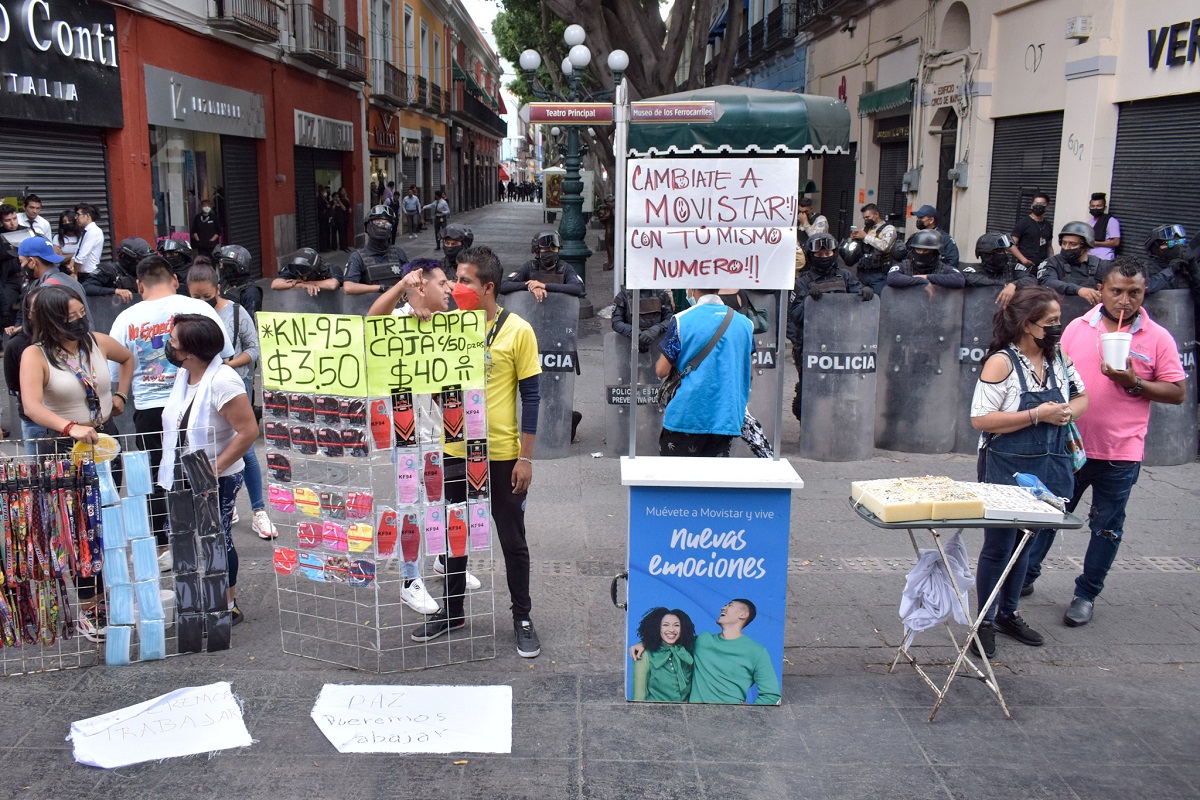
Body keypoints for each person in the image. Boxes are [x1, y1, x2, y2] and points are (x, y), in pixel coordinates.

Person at [1022, 258, 1186, 626]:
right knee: (1050, 516)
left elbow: (1177, 392)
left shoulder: (1158, 337)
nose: (1124, 300)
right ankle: (1027, 576)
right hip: (1071, 446)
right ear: (1103, 289)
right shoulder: (1079, 327)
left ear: (1144, 292)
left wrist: (1134, 382)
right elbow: (1053, 371)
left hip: (1121, 452)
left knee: (1107, 527)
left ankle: (1086, 594)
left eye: (1134, 292)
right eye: (1117, 291)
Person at [411, 246, 543, 658]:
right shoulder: (445, 328)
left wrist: (526, 457)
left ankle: (522, 615)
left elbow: (532, 395)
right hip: (454, 450)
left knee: (512, 539)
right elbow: (434, 383)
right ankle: (452, 612)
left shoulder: (517, 330)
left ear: (487, 288)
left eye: (463, 280)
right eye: (453, 278)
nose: (454, 286)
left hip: (503, 455)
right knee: (455, 535)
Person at [967, 286, 1088, 658]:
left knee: (1028, 542)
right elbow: (981, 419)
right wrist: (1038, 414)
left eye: (1058, 321)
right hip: (1007, 465)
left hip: (1050, 464)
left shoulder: (1059, 358)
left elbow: (1082, 396)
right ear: (1026, 324)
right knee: (999, 545)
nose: (1057, 328)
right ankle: (982, 622)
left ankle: (1009, 613)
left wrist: (1069, 412)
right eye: (1050, 322)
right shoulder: (1001, 363)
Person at [19, 285, 134, 638]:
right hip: (64, 448)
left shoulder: (96, 341)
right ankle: (90, 606)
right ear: (52, 321)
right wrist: (70, 427)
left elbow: (127, 358)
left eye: (81, 313)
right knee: (78, 528)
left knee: (109, 519)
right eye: (71, 318)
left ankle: (114, 593)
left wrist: (119, 394)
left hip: (103, 439)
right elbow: (32, 406)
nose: (80, 321)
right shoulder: (35, 355)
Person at [109, 254, 234, 561]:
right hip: (199, 402)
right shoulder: (198, 307)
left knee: (158, 473)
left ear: (139, 285)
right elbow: (225, 353)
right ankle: (207, 538)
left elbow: (114, 373)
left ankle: (165, 544)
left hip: (151, 409)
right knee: (202, 469)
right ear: (176, 280)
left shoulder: (126, 319)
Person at [157, 314, 258, 625]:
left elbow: (248, 431)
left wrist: (213, 470)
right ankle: (204, 597)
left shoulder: (223, 380)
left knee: (217, 538)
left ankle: (227, 604)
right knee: (197, 539)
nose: (167, 346)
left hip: (218, 477)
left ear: (189, 352)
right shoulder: (185, 375)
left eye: (172, 342)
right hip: (184, 473)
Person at [187, 263, 275, 541]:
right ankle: (231, 504)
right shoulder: (187, 316)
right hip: (201, 394)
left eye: (206, 296)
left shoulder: (236, 312)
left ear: (218, 289)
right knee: (215, 447)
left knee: (245, 450)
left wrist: (230, 363)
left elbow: (253, 348)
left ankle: (259, 510)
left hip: (235, 387)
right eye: (195, 297)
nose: (201, 303)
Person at [655, 288, 754, 457]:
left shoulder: (681, 320)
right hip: (725, 415)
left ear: (692, 289)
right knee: (713, 480)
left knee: (676, 479)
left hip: (686, 415)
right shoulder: (745, 324)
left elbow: (662, 371)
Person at [788, 233, 872, 420]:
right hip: (812, 344)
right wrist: (810, 301)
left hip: (841, 342)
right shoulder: (803, 282)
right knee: (810, 393)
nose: (825, 257)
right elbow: (794, 315)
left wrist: (866, 293)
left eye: (828, 254)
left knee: (842, 389)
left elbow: (859, 298)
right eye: (820, 255)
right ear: (811, 256)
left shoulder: (845, 276)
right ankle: (810, 430)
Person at [633, 599, 780, 705]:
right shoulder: (703, 641)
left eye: (730, 605)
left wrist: (749, 713)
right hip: (695, 716)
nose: (723, 607)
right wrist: (644, 643)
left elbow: (772, 695)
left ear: (743, 614)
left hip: (732, 717)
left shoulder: (757, 652)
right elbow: (672, 639)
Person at [13, 236, 92, 330]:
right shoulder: (70, 281)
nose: (21, 266)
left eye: (21, 262)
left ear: (32, 262)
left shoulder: (45, 290)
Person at [631, 607, 696, 702]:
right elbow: (639, 696)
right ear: (656, 627)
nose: (672, 630)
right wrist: (645, 643)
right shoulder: (644, 654)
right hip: (655, 712)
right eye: (665, 625)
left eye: (677, 625)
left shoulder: (688, 652)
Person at [342, 206, 410, 295]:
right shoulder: (357, 257)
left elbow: (411, 279)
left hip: (398, 306)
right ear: (368, 226)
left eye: (387, 224)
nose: (382, 226)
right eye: (379, 223)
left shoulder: (398, 253)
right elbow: (348, 287)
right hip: (369, 306)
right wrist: (382, 288)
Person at [499, 231, 584, 299]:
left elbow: (577, 288)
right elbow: (503, 286)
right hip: (531, 313)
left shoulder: (565, 268)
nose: (550, 252)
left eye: (553, 249)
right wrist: (531, 286)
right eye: (546, 249)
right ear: (537, 251)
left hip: (559, 313)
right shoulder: (529, 267)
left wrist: (544, 286)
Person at [1036, 222, 1105, 304]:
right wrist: (1078, 290)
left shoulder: (1100, 265)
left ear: (1086, 246)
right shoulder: (1052, 262)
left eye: (1073, 244)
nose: (1066, 247)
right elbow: (1048, 282)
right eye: (1064, 243)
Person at [961, 233, 1037, 307]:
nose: (1005, 254)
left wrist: (1014, 285)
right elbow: (966, 278)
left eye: (1005, 251)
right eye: (1000, 251)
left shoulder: (1013, 268)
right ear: (987, 255)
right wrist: (1002, 285)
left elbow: (1031, 280)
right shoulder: (974, 270)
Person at [367, 257, 452, 320]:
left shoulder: (448, 320)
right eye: (442, 283)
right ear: (421, 289)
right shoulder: (397, 316)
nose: (448, 290)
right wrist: (401, 286)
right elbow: (374, 320)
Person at [886, 230, 966, 289]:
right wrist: (923, 281)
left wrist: (928, 277)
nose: (921, 253)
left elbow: (959, 279)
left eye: (926, 250)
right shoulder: (905, 266)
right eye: (918, 249)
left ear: (936, 252)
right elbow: (892, 278)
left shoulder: (943, 268)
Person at [80, 237, 146, 302]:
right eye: (138, 260)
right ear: (127, 258)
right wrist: (115, 291)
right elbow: (86, 287)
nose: (142, 264)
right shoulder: (109, 270)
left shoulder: (144, 271)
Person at [1142, 224, 1200, 297]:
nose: (1177, 246)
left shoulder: (1186, 267)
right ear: (1155, 249)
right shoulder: (1148, 268)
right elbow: (1144, 288)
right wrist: (1171, 270)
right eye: (1170, 243)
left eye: (1180, 242)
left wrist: (1195, 272)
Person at [849, 203, 896, 294]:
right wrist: (854, 239)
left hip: (879, 274)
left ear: (876, 215)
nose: (866, 220)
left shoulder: (888, 229)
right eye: (864, 218)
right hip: (863, 272)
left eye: (867, 217)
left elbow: (885, 246)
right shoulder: (865, 229)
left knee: (879, 299)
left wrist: (865, 237)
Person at [611, 287, 675, 351]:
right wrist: (633, 332)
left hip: (657, 344)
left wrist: (654, 331)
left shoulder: (661, 294)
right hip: (628, 345)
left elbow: (670, 319)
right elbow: (616, 322)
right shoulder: (623, 295)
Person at [271, 247, 343, 295]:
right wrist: (302, 285)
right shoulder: (295, 268)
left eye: (307, 274)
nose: (304, 278)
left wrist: (309, 283)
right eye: (301, 275)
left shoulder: (331, 268)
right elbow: (275, 284)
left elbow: (333, 285)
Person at [1010, 193, 1054, 269]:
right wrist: (1024, 260)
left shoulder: (1047, 225)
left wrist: (1052, 261)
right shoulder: (1023, 223)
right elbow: (1011, 244)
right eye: (1036, 203)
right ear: (1031, 205)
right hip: (1025, 266)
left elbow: (1049, 246)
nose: (1039, 206)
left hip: (1042, 266)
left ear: (1047, 206)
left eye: (1042, 204)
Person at [909, 204, 960, 269]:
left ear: (931, 220)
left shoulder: (945, 238)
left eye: (921, 218)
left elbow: (953, 262)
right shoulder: (916, 237)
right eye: (918, 218)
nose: (918, 220)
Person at [72, 203, 105, 278]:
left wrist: (74, 273)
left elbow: (81, 257)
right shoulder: (86, 231)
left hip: (89, 275)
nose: (75, 218)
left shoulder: (94, 232)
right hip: (82, 274)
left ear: (87, 216)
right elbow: (77, 252)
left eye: (78, 215)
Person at [1088, 193, 1121, 261]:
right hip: (1090, 258)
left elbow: (1116, 242)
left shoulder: (1111, 221)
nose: (1095, 208)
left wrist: (1096, 243)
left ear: (1104, 207)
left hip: (1104, 258)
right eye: (1093, 206)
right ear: (1089, 207)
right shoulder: (1089, 222)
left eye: (1098, 206)